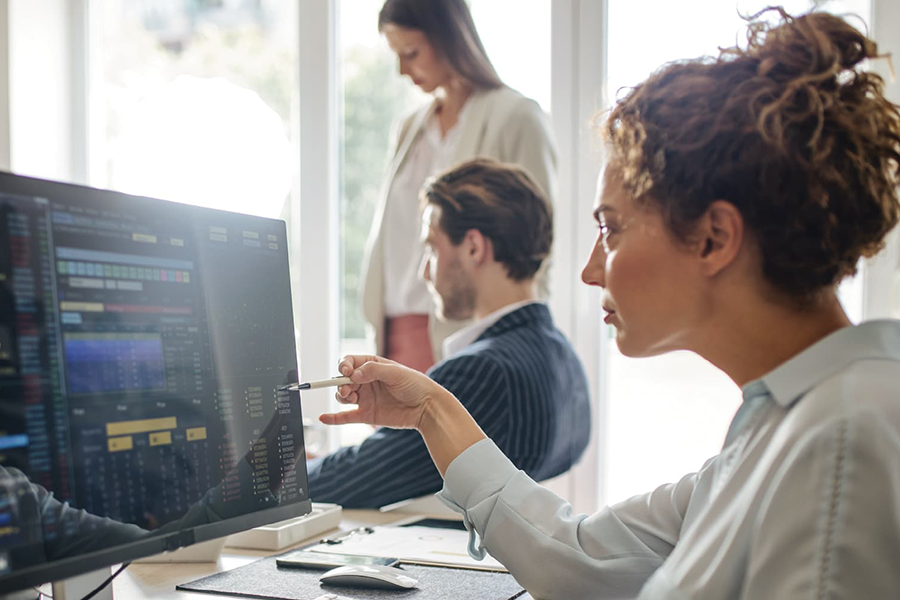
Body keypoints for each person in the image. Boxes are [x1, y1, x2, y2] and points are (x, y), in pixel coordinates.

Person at [322, 8, 900, 599]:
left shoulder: (842, 446)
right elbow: (583, 555)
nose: (590, 269)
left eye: (612, 229)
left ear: (714, 238)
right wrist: (432, 411)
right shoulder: (783, 424)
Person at [307, 159, 590, 508]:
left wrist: (288, 477)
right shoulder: (563, 355)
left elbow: (356, 482)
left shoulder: (483, 372)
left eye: (432, 248)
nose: (425, 271)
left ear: (473, 247)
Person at [361, 0, 558, 372]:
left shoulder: (516, 117)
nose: (403, 70)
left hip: (470, 334)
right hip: (394, 334)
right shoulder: (409, 128)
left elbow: (538, 246)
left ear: (448, 37)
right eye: (397, 56)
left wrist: (522, 346)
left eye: (411, 53)